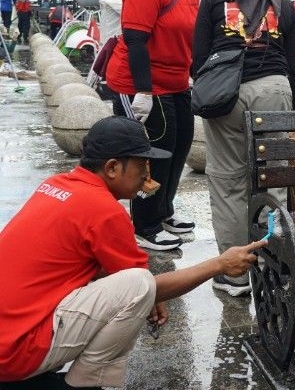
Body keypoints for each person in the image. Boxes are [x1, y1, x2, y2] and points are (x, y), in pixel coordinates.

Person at [0, 116, 266, 389]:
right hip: (14, 353)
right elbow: (143, 285)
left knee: (135, 285)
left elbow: (107, 270)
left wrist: (148, 294)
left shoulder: (57, 184)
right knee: (139, 285)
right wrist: (220, 264)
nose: (146, 175)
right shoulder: (103, 209)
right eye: (142, 164)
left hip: (8, 334)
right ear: (113, 167)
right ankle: (83, 383)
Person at [192, 0, 295, 297]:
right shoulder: (284, 5)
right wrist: (292, 119)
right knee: (273, 180)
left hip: (226, 93)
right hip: (275, 91)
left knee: (229, 183)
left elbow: (198, 57)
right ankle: (274, 266)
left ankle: (235, 276)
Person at [104, 0, 201, 252]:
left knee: (180, 146)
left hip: (177, 82)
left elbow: (189, 39)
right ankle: (145, 225)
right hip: (143, 83)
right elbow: (135, 41)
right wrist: (143, 92)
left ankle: (163, 211)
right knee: (155, 154)